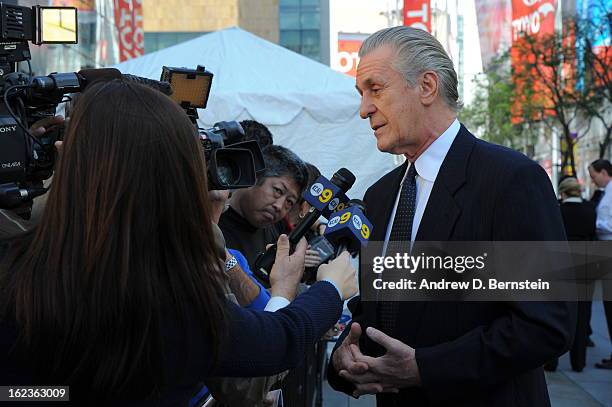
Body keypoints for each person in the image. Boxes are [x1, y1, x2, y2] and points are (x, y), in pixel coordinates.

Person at [0, 79, 358, 406]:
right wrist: (330, 288)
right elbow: (276, 342)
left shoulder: (16, 266)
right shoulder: (172, 294)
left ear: (69, 156)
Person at [327, 26, 575, 406]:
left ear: (427, 86)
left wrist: (424, 367)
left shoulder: (511, 180)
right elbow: (384, 312)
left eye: (375, 89)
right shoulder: (379, 197)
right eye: (361, 95)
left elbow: (544, 324)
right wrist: (345, 357)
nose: (364, 109)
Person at [219, 145, 308, 269]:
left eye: (289, 202)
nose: (279, 206)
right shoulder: (212, 224)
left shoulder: (276, 233)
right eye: (278, 190)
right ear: (254, 176)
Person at [544, 177, 596, 372]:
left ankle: (552, 361)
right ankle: (579, 362)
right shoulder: (590, 210)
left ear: (563, 192)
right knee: (583, 315)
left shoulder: (557, 210)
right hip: (586, 263)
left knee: (555, 312)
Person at [588, 158, 612, 370]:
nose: (592, 180)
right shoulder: (606, 193)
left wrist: (594, 223)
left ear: (604, 172)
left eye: (593, 175)